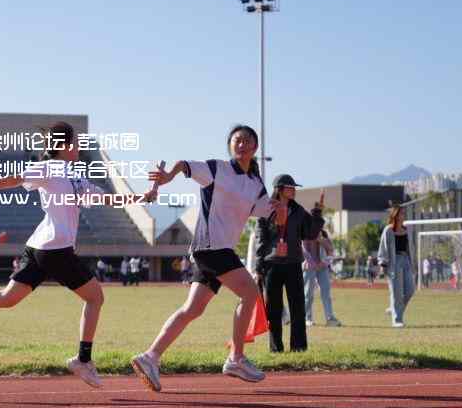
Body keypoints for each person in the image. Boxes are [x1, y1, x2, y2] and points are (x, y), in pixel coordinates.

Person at [0, 121, 143, 388]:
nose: (79, 146)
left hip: (38, 248)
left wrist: (142, 198)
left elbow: (106, 198)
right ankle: (83, 360)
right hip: (56, 250)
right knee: (95, 297)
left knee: (8, 298)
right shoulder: (49, 168)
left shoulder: (75, 176)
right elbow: (14, 179)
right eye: (76, 142)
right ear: (65, 146)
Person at [131, 125, 281, 391]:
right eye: (237, 140)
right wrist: (167, 177)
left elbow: (268, 215)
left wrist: (280, 210)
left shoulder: (255, 184)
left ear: (255, 147)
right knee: (249, 293)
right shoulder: (217, 168)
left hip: (216, 250)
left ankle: (150, 357)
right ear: (231, 146)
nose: (241, 144)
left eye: (246, 141)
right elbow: (183, 164)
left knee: (193, 309)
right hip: (211, 247)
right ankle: (235, 358)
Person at [255, 176, 325, 353]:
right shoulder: (266, 209)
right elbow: (260, 240)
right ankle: (275, 348)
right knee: (274, 310)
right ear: (279, 189)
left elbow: (310, 233)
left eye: (295, 187)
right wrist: (259, 267)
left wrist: (317, 213)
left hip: (293, 263)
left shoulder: (298, 210)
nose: (294, 189)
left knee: (298, 307)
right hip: (272, 266)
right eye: (290, 187)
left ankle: (299, 347)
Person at [377, 203, 415, 328]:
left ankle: (394, 309)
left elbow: (409, 248)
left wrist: (412, 263)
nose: (404, 215)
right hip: (394, 262)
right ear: (396, 215)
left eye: (404, 213)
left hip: (406, 261)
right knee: (396, 293)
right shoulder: (388, 230)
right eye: (402, 213)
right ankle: (397, 320)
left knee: (410, 290)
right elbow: (383, 247)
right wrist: (383, 264)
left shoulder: (406, 230)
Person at [303, 230, 341, 327]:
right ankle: (307, 318)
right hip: (309, 267)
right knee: (308, 293)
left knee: (326, 293)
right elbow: (303, 250)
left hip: (323, 267)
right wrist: (312, 263)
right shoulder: (305, 234)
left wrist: (323, 262)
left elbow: (331, 252)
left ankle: (330, 318)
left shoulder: (324, 237)